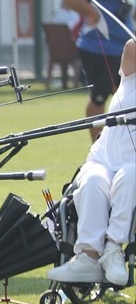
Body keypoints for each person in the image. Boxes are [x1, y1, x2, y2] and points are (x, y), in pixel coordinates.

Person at [47, 38, 135, 289]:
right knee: (93, 179)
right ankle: (88, 256)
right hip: (105, 155)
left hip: (134, 163)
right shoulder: (131, 62)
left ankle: (113, 249)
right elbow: (131, 46)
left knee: (129, 178)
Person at [61, 0, 133, 140]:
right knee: (100, 94)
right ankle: (97, 145)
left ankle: (119, 142)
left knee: (124, 95)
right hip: (99, 47)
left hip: (118, 48)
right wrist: (90, 12)